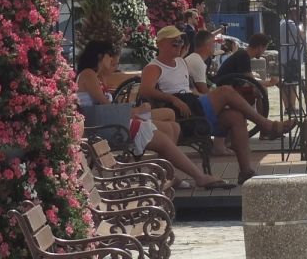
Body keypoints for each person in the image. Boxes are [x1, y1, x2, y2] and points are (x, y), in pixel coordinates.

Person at [140, 26, 296, 184]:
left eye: (180, 41)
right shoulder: (154, 67)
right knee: (226, 91)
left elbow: (191, 89)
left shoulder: (181, 62)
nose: (179, 45)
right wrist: (174, 99)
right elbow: (145, 90)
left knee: (235, 116)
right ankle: (266, 125)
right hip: (180, 112)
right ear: (161, 44)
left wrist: (207, 98)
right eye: (174, 42)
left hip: (192, 105)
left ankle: (246, 171)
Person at [75, 40, 233, 189]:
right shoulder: (88, 74)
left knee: (173, 127)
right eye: (110, 57)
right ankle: (198, 176)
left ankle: (167, 174)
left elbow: (105, 107)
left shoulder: (95, 76)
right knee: (164, 138)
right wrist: (135, 111)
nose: (112, 62)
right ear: (100, 56)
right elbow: (106, 106)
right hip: (107, 128)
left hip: (110, 124)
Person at [278, 9, 305, 114]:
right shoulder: (290, 23)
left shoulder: (282, 22)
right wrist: (305, 25)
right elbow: (301, 36)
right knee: (292, 83)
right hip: (292, 57)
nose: (299, 15)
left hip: (285, 56)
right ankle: (292, 107)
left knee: (285, 83)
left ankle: (287, 107)